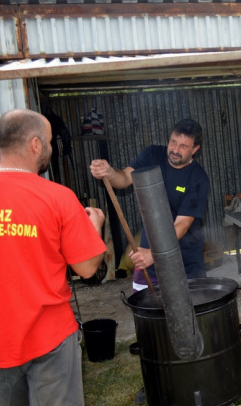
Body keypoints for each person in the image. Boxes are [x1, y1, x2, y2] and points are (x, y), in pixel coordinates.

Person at [0, 109, 106, 405]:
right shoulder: (58, 197)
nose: (51, 149)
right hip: (50, 339)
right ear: (36, 145)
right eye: (50, 142)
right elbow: (88, 268)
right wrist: (95, 226)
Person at [90, 118, 210, 292]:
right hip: (148, 259)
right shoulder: (153, 155)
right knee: (147, 314)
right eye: (173, 142)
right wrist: (109, 172)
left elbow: (182, 225)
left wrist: (155, 254)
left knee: (189, 313)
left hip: (185, 264)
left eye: (183, 146)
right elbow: (123, 178)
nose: (175, 150)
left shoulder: (198, 178)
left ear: (195, 149)